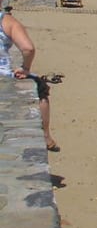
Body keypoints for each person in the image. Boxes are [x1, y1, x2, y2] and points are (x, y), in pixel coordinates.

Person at [0, 10, 57, 150]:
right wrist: (25, 68)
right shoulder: (6, 21)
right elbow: (28, 48)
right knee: (41, 88)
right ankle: (46, 135)